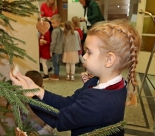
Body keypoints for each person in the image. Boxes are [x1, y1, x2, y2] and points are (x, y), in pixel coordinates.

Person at [10, 19, 141, 136]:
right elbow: (68, 103)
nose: (83, 56)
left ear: (109, 59)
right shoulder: (105, 82)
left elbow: (60, 118)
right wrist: (37, 90)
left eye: (89, 52)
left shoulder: (98, 101)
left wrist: (30, 97)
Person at [25, 70, 56, 135]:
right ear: (42, 86)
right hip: (32, 131)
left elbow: (51, 124)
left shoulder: (46, 101)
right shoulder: (22, 102)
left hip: (42, 132)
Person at [49, 14, 63, 80]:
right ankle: (57, 73)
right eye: (51, 23)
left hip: (55, 50)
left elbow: (53, 42)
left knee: (55, 64)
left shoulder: (54, 31)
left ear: (58, 22)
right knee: (58, 63)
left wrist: (51, 50)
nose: (52, 24)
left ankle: (56, 75)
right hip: (60, 50)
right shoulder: (61, 30)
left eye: (53, 23)